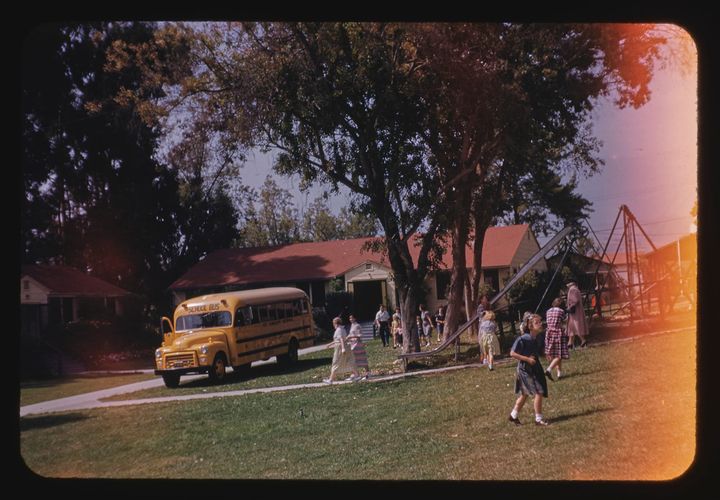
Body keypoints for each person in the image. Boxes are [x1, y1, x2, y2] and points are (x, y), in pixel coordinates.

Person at [508, 313, 550, 426]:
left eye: (540, 322)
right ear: (530, 326)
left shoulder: (538, 337)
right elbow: (512, 353)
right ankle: (538, 419)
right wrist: (526, 359)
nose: (540, 324)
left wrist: (545, 354)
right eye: (537, 323)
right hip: (525, 370)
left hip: (535, 367)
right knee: (539, 391)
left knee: (525, 394)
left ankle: (513, 415)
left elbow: (537, 350)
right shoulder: (523, 339)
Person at [324, 317, 360, 384]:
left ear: (335, 323)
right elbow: (338, 340)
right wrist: (329, 344)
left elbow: (341, 340)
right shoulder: (341, 329)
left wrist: (343, 348)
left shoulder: (339, 330)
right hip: (344, 347)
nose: (333, 325)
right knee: (349, 361)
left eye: (333, 323)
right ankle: (357, 375)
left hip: (340, 348)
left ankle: (330, 380)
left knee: (335, 362)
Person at [544, 298, 569, 380]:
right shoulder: (561, 311)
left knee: (555, 354)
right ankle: (549, 369)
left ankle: (559, 374)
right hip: (558, 333)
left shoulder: (548, 311)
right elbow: (564, 321)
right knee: (559, 354)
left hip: (549, 333)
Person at [565, 281, 589, 349]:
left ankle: (583, 340)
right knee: (571, 327)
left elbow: (575, 300)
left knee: (575, 326)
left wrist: (569, 307)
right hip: (576, 311)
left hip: (574, 312)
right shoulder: (576, 289)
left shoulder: (572, 290)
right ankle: (570, 343)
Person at [347, 314, 370, 379]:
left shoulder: (357, 326)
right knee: (353, 359)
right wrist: (347, 337)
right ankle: (355, 374)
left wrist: (350, 337)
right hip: (352, 344)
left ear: (355, 318)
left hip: (358, 344)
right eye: (350, 318)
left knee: (362, 359)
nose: (350, 319)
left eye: (352, 318)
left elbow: (359, 335)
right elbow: (351, 334)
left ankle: (368, 373)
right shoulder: (352, 325)